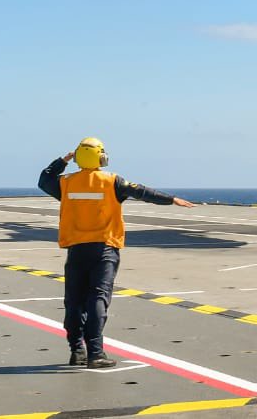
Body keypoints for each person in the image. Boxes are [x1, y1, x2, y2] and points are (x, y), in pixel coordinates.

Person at [37, 136, 195, 368]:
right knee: (98, 299)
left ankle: (76, 349)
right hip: (104, 249)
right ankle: (96, 353)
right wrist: (171, 199)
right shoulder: (112, 181)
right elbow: (143, 192)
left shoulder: (66, 183)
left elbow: (44, 179)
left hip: (76, 249)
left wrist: (63, 160)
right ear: (102, 157)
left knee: (74, 301)